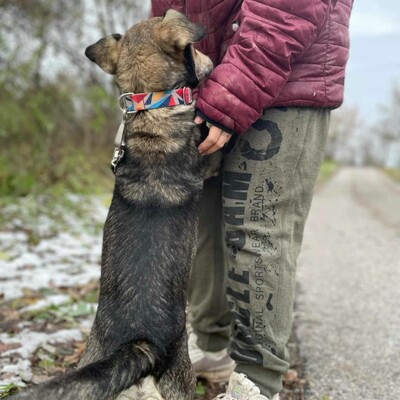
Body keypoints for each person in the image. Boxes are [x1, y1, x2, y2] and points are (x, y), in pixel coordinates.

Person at [151, 1, 353, 399]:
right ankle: (211, 347)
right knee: (201, 220)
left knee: (257, 226)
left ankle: (257, 382)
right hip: (200, 77)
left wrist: (232, 92)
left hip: (286, 74)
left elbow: (290, 10)